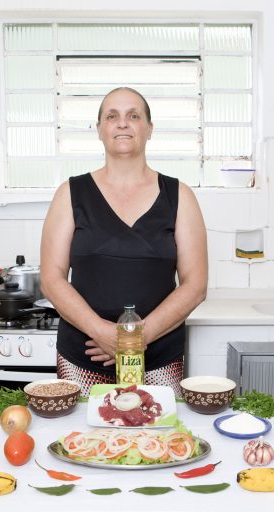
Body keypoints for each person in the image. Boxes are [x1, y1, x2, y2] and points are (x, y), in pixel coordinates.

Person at [40, 87, 208, 397]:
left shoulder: (180, 196)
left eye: (134, 116)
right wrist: (100, 331)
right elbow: (51, 279)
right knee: (84, 431)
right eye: (112, 116)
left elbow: (195, 285)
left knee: (157, 430)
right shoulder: (70, 193)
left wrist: (135, 339)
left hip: (159, 360)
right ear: (99, 129)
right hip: (83, 359)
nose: (122, 123)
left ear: (149, 128)